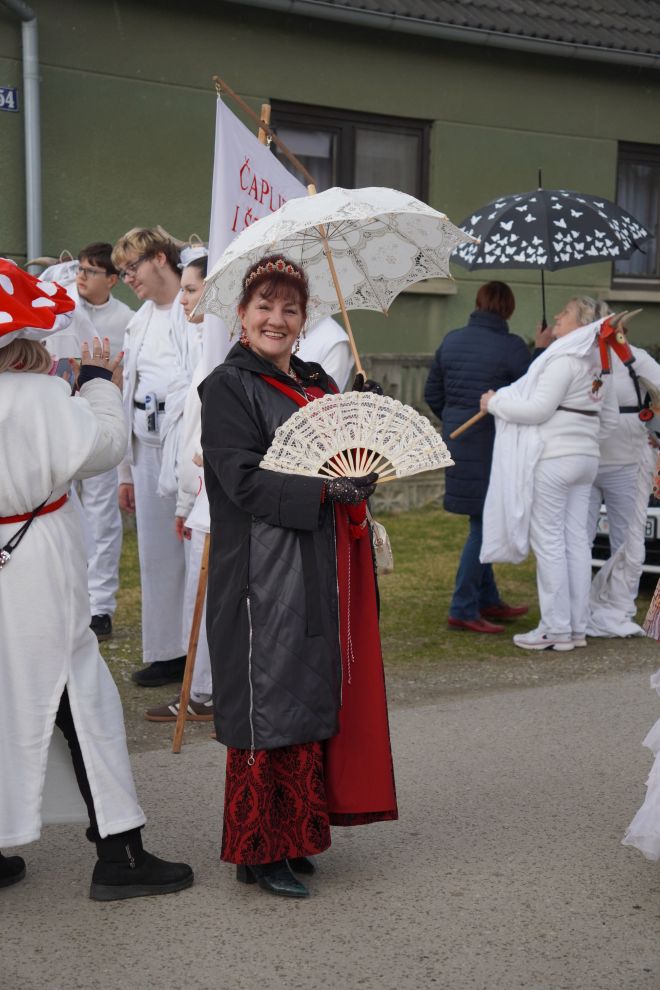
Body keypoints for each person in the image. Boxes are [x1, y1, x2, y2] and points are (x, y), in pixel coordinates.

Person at [200, 254, 397, 899]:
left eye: (289, 309)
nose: (276, 319)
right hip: (262, 566)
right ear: (242, 315)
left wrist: (362, 419)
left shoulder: (316, 383)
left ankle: (297, 833)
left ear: (304, 318)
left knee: (310, 690)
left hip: (315, 559)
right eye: (265, 307)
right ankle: (259, 848)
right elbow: (242, 479)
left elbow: (343, 453)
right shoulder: (228, 387)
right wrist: (323, 492)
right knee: (270, 698)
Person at [0, 260, 193, 899]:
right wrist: (95, 383)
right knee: (81, 698)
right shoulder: (34, 395)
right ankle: (121, 853)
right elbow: (104, 448)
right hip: (35, 559)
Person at [480, 296, 619, 651]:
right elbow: (611, 420)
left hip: (554, 460)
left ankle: (556, 628)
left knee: (552, 542)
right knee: (575, 542)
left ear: (582, 322)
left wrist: (494, 403)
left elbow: (537, 410)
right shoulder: (601, 362)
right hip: (585, 460)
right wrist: (584, 440)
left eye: (567, 312)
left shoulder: (565, 359)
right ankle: (575, 627)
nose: (558, 315)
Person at [424, 281, 542, 634]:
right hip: (492, 445)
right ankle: (462, 606)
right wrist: (542, 349)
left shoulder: (451, 340)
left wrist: (454, 419)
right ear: (507, 309)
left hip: (458, 440)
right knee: (483, 524)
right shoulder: (512, 347)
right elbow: (531, 394)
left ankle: (487, 598)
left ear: (478, 304)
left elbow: (432, 392)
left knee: (482, 519)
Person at [112, 228, 201, 687]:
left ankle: (197, 654)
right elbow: (127, 390)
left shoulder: (192, 312)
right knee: (156, 555)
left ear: (161, 258)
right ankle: (167, 650)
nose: (128, 277)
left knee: (194, 549)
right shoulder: (139, 319)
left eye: (133, 267)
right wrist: (126, 471)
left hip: (184, 448)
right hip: (146, 451)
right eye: (123, 270)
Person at [145, 253, 213, 723]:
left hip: (218, 496)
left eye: (191, 289)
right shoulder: (200, 343)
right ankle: (202, 688)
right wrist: (184, 501)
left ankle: (205, 692)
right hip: (199, 496)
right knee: (197, 598)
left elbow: (204, 438)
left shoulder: (220, 353)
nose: (183, 298)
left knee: (206, 601)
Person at [72, 243, 134, 641]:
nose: (81, 276)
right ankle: (73, 598)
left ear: (112, 279)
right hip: (63, 421)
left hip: (99, 425)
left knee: (101, 517)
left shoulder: (126, 320)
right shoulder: (62, 308)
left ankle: (100, 606)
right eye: (79, 268)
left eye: (91, 271)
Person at [586, 339, 660, 637]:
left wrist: (655, 427)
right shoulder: (580, 360)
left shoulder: (635, 358)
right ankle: (578, 607)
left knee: (628, 534)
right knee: (579, 536)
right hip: (588, 455)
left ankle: (622, 607)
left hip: (627, 458)